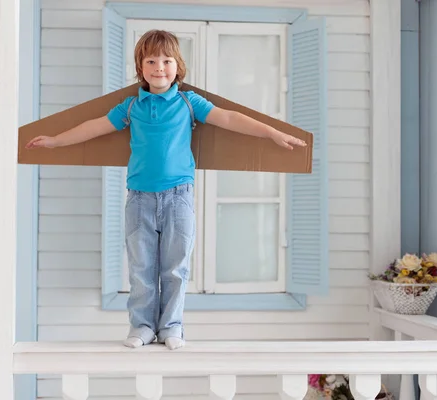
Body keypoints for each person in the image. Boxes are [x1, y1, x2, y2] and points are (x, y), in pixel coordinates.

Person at [25, 29, 306, 350]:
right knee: (142, 268)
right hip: (140, 199)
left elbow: (229, 118)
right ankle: (142, 326)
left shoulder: (189, 102)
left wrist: (271, 133)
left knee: (175, 268)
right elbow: (94, 127)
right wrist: (56, 141)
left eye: (167, 60)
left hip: (178, 198)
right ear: (140, 68)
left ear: (178, 66)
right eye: (151, 60)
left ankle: (172, 327)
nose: (160, 67)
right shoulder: (131, 107)